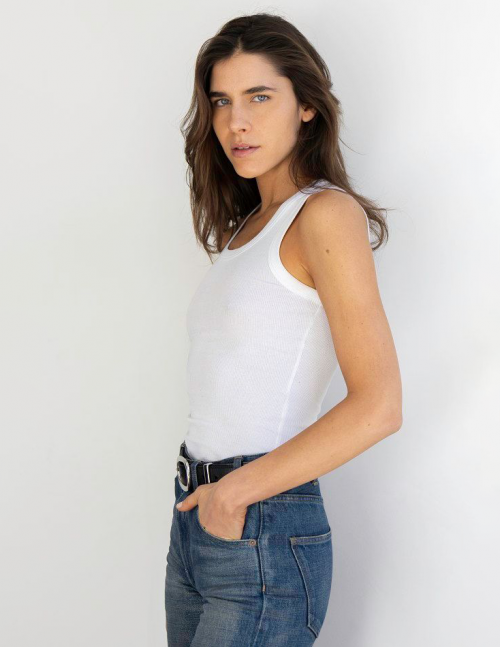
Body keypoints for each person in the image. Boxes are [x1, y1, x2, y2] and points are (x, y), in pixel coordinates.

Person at [165, 12, 402, 646]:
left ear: (307, 106)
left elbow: (379, 406)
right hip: (199, 521)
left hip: (259, 525)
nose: (235, 122)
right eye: (221, 101)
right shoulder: (247, 229)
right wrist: (214, 501)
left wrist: (235, 492)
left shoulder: (325, 214)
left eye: (260, 97)